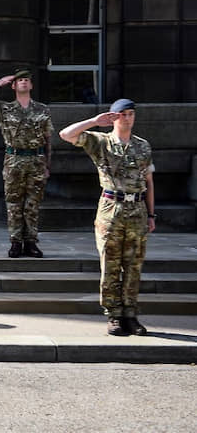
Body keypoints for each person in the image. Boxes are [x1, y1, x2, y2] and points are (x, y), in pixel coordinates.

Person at [59, 99, 155, 336]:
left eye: (131, 114)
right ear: (113, 116)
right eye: (122, 114)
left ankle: (130, 315)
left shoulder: (142, 146)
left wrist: (151, 214)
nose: (127, 118)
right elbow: (65, 134)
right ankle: (113, 315)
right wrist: (94, 122)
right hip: (111, 209)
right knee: (110, 265)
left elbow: (149, 182)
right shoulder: (100, 142)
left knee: (133, 266)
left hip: (137, 210)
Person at [0, 69, 53, 258]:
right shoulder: (4, 108)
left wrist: (48, 166)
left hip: (37, 161)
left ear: (31, 85)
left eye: (27, 80)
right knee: (14, 204)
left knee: (33, 204)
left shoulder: (42, 109)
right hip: (14, 160)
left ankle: (31, 242)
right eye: (20, 80)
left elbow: (48, 140)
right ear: (14, 86)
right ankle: (16, 242)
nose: (24, 82)